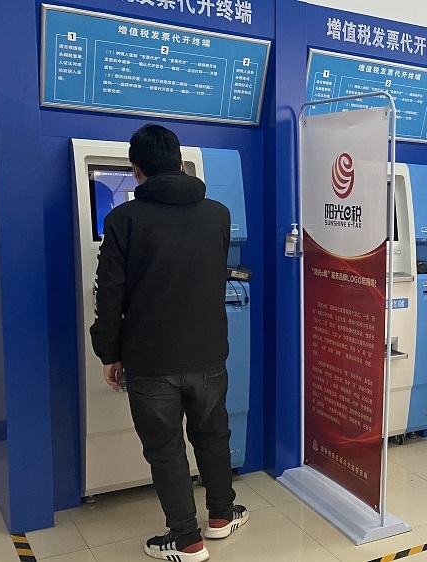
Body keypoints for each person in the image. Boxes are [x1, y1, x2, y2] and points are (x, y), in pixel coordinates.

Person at [91, 124, 248, 562]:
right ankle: (222, 516)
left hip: (150, 360)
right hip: (208, 353)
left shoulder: (121, 220)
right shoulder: (218, 214)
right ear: (180, 164)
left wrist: (109, 353)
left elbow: (109, 296)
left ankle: (186, 539)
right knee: (213, 435)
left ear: (135, 170)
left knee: (165, 449)